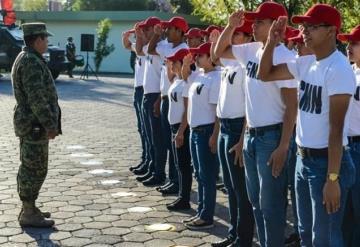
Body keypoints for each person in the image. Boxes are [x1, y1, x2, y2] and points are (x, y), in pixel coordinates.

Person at [258, 4, 356, 246]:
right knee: (305, 233)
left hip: (327, 164)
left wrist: (332, 179)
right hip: (304, 159)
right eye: (304, 26)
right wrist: (271, 42)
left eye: (313, 27)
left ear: (332, 31)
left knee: (325, 237)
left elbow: (336, 129)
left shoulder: (339, 68)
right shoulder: (307, 63)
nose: (304, 32)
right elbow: (265, 74)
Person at [215, 2, 298, 246]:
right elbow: (220, 52)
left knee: (271, 207)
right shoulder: (251, 50)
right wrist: (230, 26)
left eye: (259, 21)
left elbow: (291, 106)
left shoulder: (285, 56)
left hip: (272, 138)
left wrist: (284, 145)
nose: (253, 25)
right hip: (252, 136)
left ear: (275, 25)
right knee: (256, 203)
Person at [210, 21, 255, 247]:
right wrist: (226, 29)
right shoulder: (230, 62)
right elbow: (215, 53)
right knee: (230, 186)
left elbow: (250, 106)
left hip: (238, 128)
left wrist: (242, 139)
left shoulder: (247, 65)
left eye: (237, 34)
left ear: (248, 39)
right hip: (225, 126)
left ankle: (243, 238)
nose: (231, 38)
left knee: (240, 190)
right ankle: (234, 233)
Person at [12, 22, 62, 227]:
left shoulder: (29, 57)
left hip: (32, 124)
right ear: (37, 39)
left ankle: (29, 207)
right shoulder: (31, 61)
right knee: (34, 168)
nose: (47, 42)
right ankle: (29, 212)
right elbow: (37, 99)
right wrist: (50, 124)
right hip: (34, 125)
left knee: (33, 166)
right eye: (45, 38)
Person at [145, 17, 189, 188]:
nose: (167, 31)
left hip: (177, 99)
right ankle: (172, 180)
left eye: (171, 29)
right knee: (167, 140)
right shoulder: (169, 46)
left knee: (174, 144)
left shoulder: (183, 50)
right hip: (166, 96)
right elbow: (150, 49)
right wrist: (156, 35)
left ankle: (176, 181)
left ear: (179, 32)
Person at [182, 42, 221, 230]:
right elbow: (185, 77)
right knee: (199, 174)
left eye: (200, 56)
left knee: (207, 176)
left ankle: (207, 216)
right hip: (195, 131)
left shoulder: (217, 77)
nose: (196, 59)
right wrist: (185, 64)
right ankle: (201, 211)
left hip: (206, 131)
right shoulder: (199, 75)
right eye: (196, 56)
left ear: (211, 58)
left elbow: (217, 112)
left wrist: (215, 135)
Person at [338, 25, 360, 247]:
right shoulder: (347, 71)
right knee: (344, 213)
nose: (348, 47)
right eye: (348, 42)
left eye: (354, 43)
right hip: (345, 148)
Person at [165, 48, 193, 210]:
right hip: (173, 126)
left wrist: (181, 131)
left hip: (181, 129)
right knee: (178, 163)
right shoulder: (177, 80)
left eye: (174, 62)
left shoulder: (186, 83)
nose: (172, 65)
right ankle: (181, 195)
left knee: (183, 165)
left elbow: (187, 111)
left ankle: (184, 198)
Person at [122, 23, 148, 175]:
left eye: (142, 32)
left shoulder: (147, 49)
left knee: (146, 130)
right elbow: (127, 45)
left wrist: (139, 36)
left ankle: (150, 163)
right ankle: (145, 159)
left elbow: (138, 48)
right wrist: (126, 36)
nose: (139, 35)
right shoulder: (139, 48)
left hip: (145, 90)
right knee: (141, 129)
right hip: (137, 90)